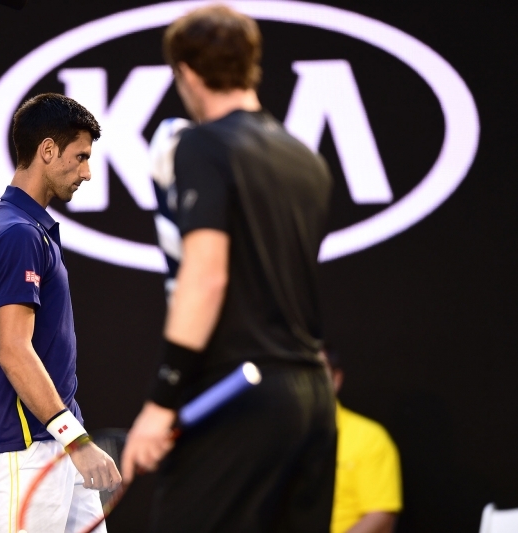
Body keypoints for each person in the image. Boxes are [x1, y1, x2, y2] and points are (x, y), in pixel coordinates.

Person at [121, 5, 337, 532]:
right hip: (313, 399)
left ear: (187, 73)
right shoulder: (305, 159)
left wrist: (161, 401)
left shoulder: (203, 144)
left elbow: (206, 276)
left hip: (238, 396)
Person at [0, 93, 121, 533]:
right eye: (81, 157)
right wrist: (76, 441)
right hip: (27, 449)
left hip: (52, 441)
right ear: (47, 150)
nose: (87, 172)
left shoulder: (18, 229)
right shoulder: (18, 235)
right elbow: (11, 351)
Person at [322, 348, 403, 533]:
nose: (308, 383)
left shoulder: (368, 438)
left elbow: (382, 516)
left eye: (317, 374)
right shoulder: (276, 436)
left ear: (336, 379)